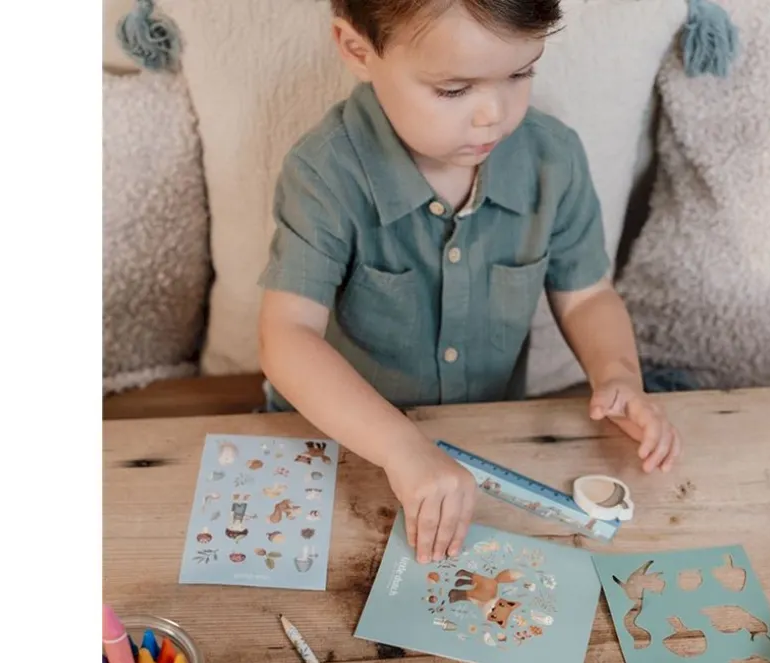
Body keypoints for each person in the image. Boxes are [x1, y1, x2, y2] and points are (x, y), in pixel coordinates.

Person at [258, 0, 681, 566]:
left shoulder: (552, 158)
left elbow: (587, 295)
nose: (494, 116)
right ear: (358, 50)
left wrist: (619, 374)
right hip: (340, 440)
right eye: (453, 90)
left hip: (485, 438)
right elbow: (286, 336)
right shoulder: (324, 172)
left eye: (521, 73)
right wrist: (401, 448)